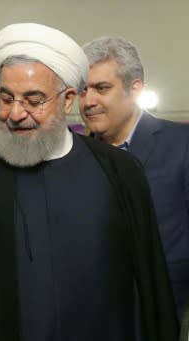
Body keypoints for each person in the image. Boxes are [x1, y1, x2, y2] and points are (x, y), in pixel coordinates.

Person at [0, 23, 178, 340]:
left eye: (33, 99)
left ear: (66, 101)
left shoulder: (120, 172)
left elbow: (151, 287)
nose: (16, 113)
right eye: (7, 99)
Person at [79, 36, 189, 320]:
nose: (88, 101)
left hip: (166, 316)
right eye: (82, 90)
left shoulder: (181, 145)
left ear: (135, 87)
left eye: (101, 88)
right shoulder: (74, 158)